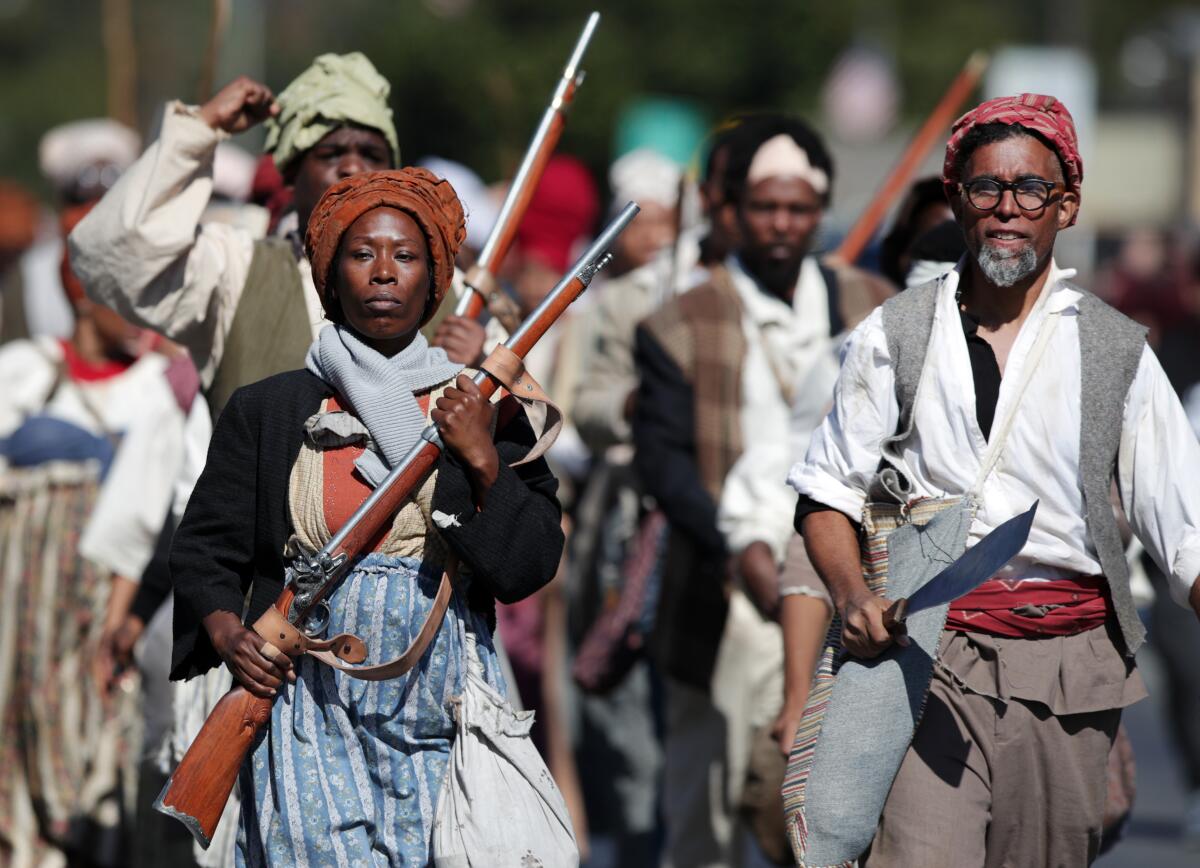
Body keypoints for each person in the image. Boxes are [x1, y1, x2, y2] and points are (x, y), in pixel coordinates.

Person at [788, 94, 1200, 867]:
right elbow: (828, 492)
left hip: (1072, 668)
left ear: (1066, 205)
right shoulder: (894, 335)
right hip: (925, 660)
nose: (1007, 209)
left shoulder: (1116, 352)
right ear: (956, 200)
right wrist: (852, 597)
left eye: (1031, 190)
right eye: (986, 189)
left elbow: (1186, 533)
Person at [167, 169, 564, 865]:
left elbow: (528, 563)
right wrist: (230, 635)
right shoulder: (269, 409)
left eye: (405, 256)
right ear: (331, 274)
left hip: (440, 713)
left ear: (433, 280)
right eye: (362, 254)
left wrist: (482, 459)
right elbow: (205, 550)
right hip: (303, 707)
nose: (384, 273)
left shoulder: (479, 409)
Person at [631, 114, 890, 867]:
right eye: (765, 207)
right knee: (702, 820)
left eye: (799, 208)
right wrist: (744, 556)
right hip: (721, 597)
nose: (782, 224)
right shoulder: (678, 320)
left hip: (848, 587)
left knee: (829, 814)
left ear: (821, 212)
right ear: (734, 212)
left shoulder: (872, 304)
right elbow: (667, 465)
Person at [0, 200, 205, 867]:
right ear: (84, 295)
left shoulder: (161, 390)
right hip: (24, 612)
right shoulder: (23, 370)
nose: (147, 319)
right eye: (130, 298)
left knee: (104, 737)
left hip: (111, 602)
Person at [67, 53, 426, 418]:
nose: (351, 167)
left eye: (371, 154)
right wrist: (200, 130)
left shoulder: (443, 288)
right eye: (331, 153)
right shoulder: (234, 271)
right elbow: (107, 255)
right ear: (289, 174)